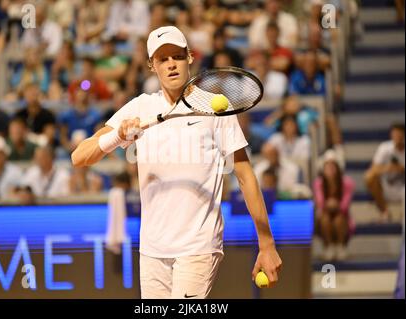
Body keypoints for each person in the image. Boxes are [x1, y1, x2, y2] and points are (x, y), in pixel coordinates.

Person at [72, 26, 281, 299]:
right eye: (162, 59)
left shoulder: (215, 107)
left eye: (177, 57)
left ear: (190, 58)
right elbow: (79, 157)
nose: (171, 64)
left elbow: (244, 175)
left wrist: (266, 244)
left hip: (198, 246)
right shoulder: (140, 107)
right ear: (151, 66)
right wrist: (118, 135)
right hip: (152, 250)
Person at [314, 149, 355, 261]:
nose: (330, 169)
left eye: (333, 166)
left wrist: (335, 205)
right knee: (325, 218)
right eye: (328, 166)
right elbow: (320, 203)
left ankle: (340, 246)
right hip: (324, 215)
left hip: (342, 216)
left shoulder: (347, 183)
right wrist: (329, 205)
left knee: (338, 219)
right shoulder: (318, 183)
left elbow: (345, 205)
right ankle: (329, 246)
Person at [365, 123, 405, 222]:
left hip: (403, 186)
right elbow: (373, 168)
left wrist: (402, 168)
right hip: (386, 185)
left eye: (400, 134)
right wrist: (389, 168)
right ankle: (385, 212)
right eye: (395, 134)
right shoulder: (384, 147)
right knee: (369, 176)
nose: (397, 137)